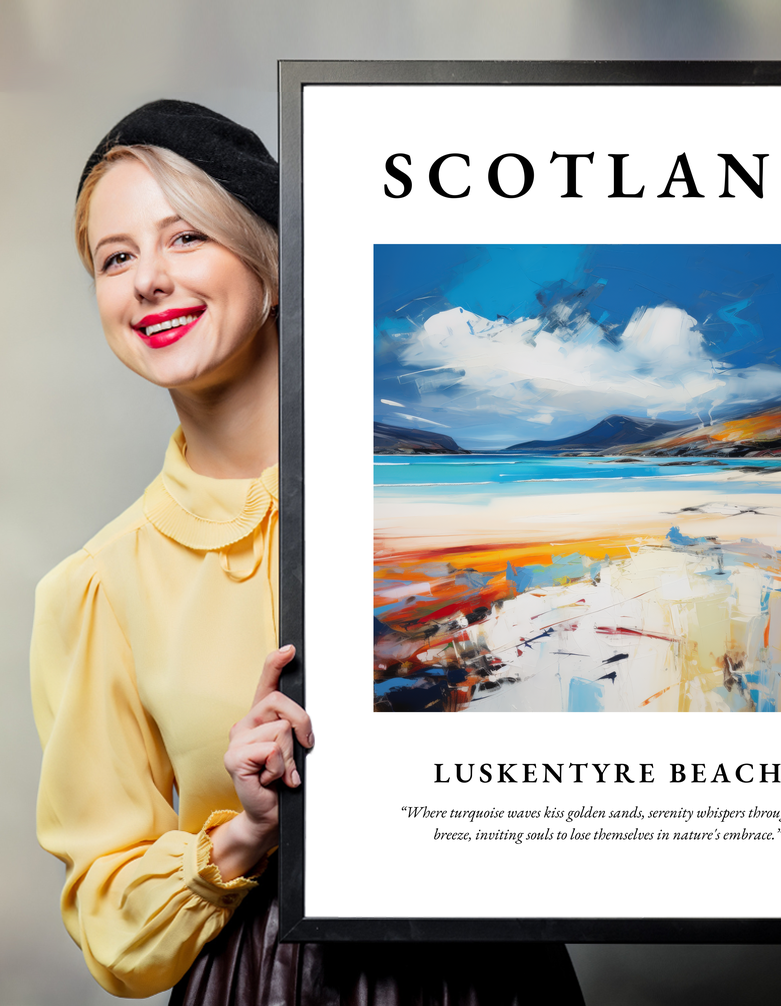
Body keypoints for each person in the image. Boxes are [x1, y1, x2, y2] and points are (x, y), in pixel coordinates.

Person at [30, 100, 586, 1004]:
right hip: (262, 981)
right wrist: (245, 832)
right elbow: (110, 924)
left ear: (273, 263)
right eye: (116, 257)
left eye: (185, 238)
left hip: (493, 973)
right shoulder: (97, 587)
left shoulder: (444, 508)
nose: (148, 281)